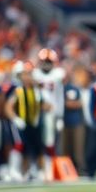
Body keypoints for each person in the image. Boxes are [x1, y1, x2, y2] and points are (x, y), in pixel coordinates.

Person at [33, 49, 66, 181]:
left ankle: (48, 169)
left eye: (49, 62)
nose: (46, 64)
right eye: (44, 61)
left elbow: (60, 97)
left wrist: (60, 117)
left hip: (51, 113)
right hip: (35, 112)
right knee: (35, 142)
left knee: (49, 142)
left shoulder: (58, 75)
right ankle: (36, 168)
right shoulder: (35, 74)